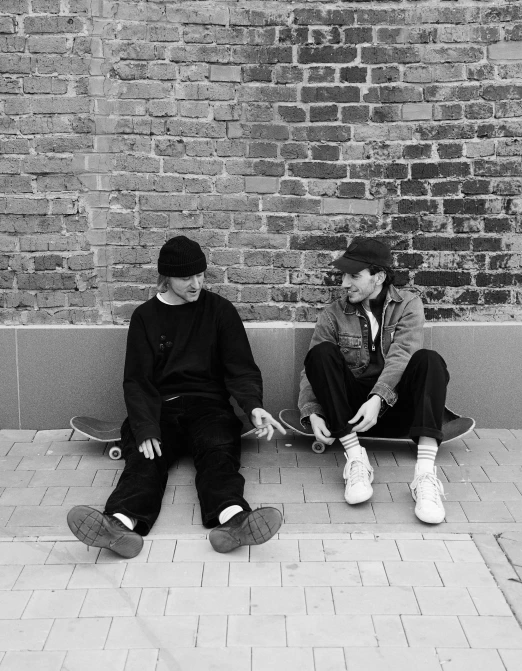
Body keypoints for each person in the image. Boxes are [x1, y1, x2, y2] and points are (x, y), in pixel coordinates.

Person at [67, 235, 285, 557]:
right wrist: (144, 428)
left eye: (201, 275)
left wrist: (253, 406)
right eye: (186, 277)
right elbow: (137, 380)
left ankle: (234, 521)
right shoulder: (145, 317)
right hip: (160, 410)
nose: (196, 284)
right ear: (166, 277)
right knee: (144, 461)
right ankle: (118, 525)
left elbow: (240, 368)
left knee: (218, 454)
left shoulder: (220, 311)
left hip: (208, 407)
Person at [298, 236, 449, 524]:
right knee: (320, 354)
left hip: (396, 407)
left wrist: (378, 398)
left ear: (378, 276)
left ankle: (425, 476)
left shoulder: (408, 305)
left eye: (354, 275)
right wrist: (313, 412)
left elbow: (403, 355)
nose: (344, 283)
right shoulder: (333, 314)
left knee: (429, 359)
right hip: (350, 414)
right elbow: (311, 370)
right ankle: (355, 458)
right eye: (344, 275)